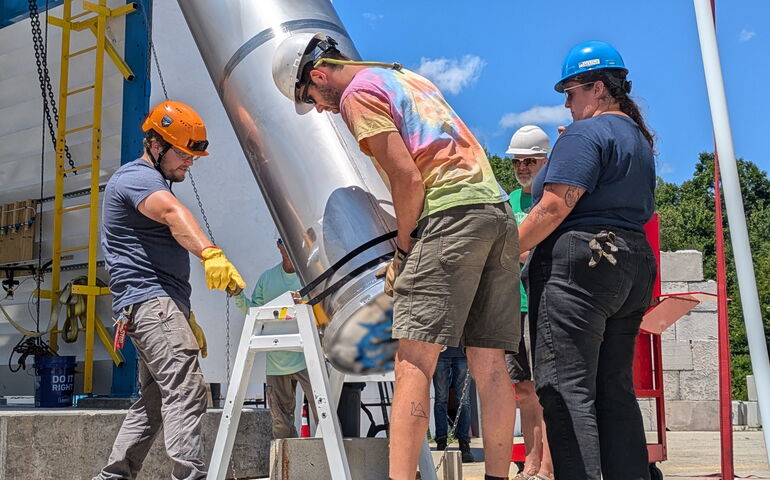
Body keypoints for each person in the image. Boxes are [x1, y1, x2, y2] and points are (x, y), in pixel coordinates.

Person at [273, 33, 520, 480]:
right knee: (490, 363)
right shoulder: (403, 78)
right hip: (496, 212)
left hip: (448, 217)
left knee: (413, 361)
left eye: (312, 98)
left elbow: (407, 179)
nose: (322, 109)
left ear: (318, 75)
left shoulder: (355, 96)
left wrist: (404, 252)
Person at [517, 41, 657, 480]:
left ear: (597, 88)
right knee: (612, 388)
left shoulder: (585, 134)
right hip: (632, 261)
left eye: (571, 92)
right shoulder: (636, 138)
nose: (566, 102)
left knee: (563, 388)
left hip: (581, 265)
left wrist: (499, 254)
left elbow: (553, 208)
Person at [94, 100, 246, 480]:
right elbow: (172, 215)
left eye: (194, 156)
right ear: (156, 144)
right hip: (151, 302)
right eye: (183, 153)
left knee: (157, 398)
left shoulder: (151, 180)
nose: (189, 163)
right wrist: (210, 253)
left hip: (155, 305)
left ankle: (113, 476)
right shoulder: (137, 179)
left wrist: (185, 314)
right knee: (187, 388)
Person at [504, 125, 554, 480]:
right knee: (523, 391)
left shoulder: (551, 198)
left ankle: (550, 466)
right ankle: (531, 462)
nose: (523, 168)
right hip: (512, 305)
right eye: (518, 162)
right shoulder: (509, 201)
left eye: (530, 161)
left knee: (547, 389)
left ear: (545, 161)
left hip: (544, 304)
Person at [235, 238, 318, 439]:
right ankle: (286, 468)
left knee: (326, 417)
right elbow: (253, 313)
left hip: (308, 359)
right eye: (282, 241)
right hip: (277, 363)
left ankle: (328, 468)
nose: (287, 246)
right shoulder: (267, 278)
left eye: (289, 240)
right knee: (281, 426)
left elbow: (324, 312)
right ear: (278, 245)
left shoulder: (310, 275)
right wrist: (237, 294)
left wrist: (307, 304)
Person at [432, 346, 474, 463]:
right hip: (440, 353)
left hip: (462, 352)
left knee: (463, 400)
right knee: (440, 399)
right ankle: (441, 441)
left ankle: (464, 443)